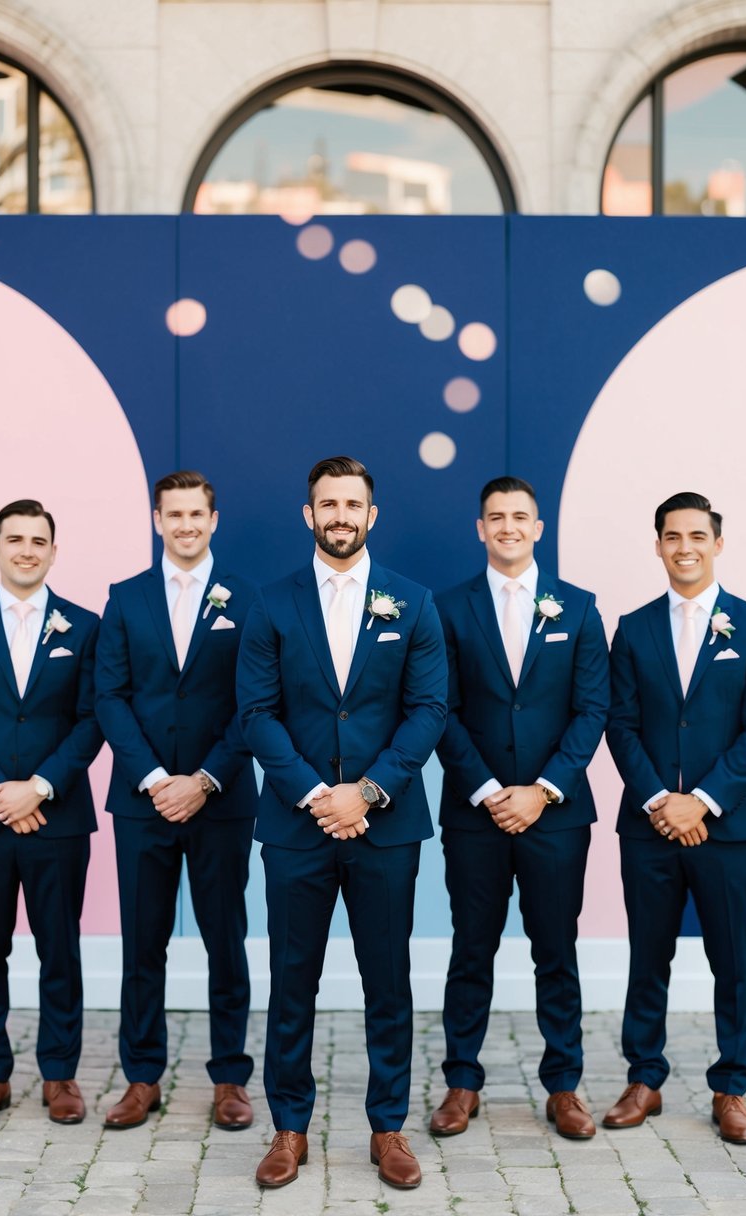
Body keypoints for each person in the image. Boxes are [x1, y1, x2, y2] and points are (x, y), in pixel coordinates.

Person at [236, 455, 447, 1190]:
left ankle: (387, 1127)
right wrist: (317, 795)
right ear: (309, 514)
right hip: (297, 829)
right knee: (293, 980)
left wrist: (368, 792)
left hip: (384, 829)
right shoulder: (270, 603)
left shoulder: (411, 603)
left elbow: (428, 711)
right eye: (327, 504)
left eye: (352, 504)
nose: (340, 516)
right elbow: (255, 715)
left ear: (371, 515)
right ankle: (289, 1129)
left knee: (386, 981)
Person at [431, 476, 609, 1140]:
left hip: (556, 816)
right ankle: (460, 1083)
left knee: (554, 951)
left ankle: (563, 1085)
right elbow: (439, 709)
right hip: (473, 813)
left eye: (519, 517)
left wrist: (542, 790)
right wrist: (486, 789)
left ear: (538, 528)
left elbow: (593, 709)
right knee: (470, 950)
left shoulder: (579, 608)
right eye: (495, 517)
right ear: (479, 528)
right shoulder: (446, 609)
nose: (507, 526)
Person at [603, 491, 746, 1144]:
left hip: (726, 827)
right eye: (672, 537)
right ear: (657, 545)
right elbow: (619, 724)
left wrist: (698, 800)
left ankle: (731, 1086)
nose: (684, 548)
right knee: (648, 955)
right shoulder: (633, 627)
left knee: (731, 961)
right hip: (648, 828)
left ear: (717, 543)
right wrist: (658, 801)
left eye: (696, 536)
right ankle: (644, 1076)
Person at [95, 470, 257, 1131]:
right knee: (143, 942)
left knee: (227, 939)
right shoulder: (125, 598)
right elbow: (109, 696)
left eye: (196, 513)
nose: (185, 524)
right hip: (143, 803)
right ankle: (141, 1077)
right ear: (156, 519)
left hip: (219, 800)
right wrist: (156, 779)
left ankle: (229, 1079)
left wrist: (203, 780)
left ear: (213, 519)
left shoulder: (248, 600)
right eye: (173, 514)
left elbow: (254, 702)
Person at [0, 499, 102, 1126]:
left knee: (59, 948)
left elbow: (93, 720)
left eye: (39, 541)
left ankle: (59, 1074)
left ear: (54, 552)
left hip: (56, 819)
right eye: (16, 539)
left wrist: (38, 787)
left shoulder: (83, 627)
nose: (27, 550)